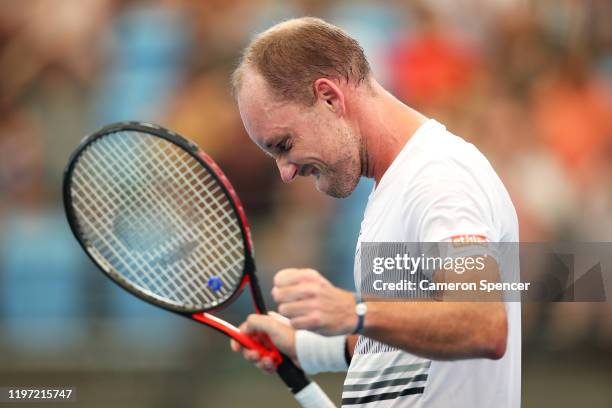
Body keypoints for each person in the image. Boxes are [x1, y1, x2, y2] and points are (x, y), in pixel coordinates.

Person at [229, 17, 520, 407]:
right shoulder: (399, 184)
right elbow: (403, 350)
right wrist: (308, 346)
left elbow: (483, 325)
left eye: (284, 144)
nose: (285, 172)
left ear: (330, 97)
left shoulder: (439, 178)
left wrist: (354, 310)